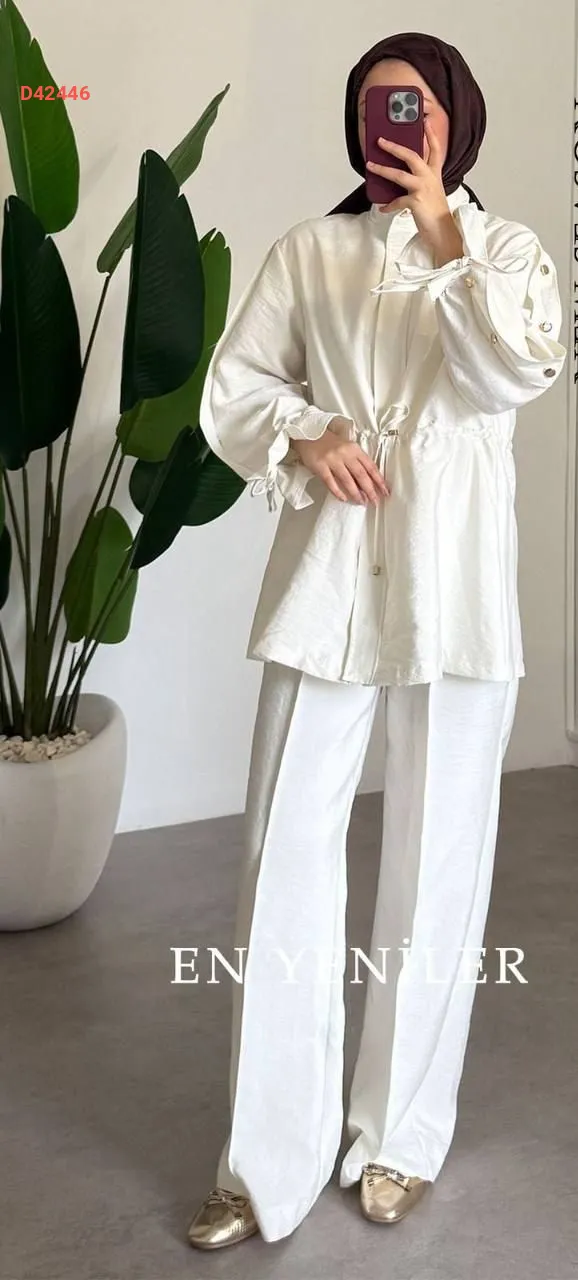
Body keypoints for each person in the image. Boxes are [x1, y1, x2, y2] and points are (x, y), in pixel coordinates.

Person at [187, 31, 566, 1250]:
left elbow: (514, 371)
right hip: (331, 574)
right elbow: (235, 385)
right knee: (281, 852)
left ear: (454, 119)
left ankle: (398, 1135)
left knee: (437, 856)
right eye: (370, 107)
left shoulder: (508, 253)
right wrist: (304, 430)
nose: (388, 126)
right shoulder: (311, 250)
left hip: (455, 583)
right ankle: (263, 1163)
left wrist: (445, 233)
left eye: (411, 108)